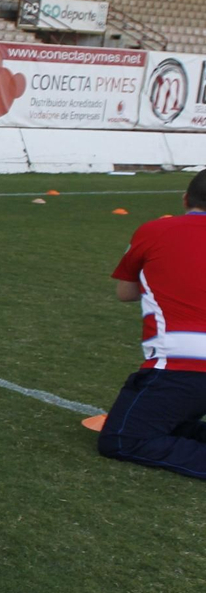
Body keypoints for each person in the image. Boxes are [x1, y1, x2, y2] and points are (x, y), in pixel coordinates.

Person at [97, 168, 206, 480]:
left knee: (123, 439)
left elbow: (125, 293)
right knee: (171, 424)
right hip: (189, 370)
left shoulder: (155, 230)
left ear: (185, 199)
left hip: (184, 365)